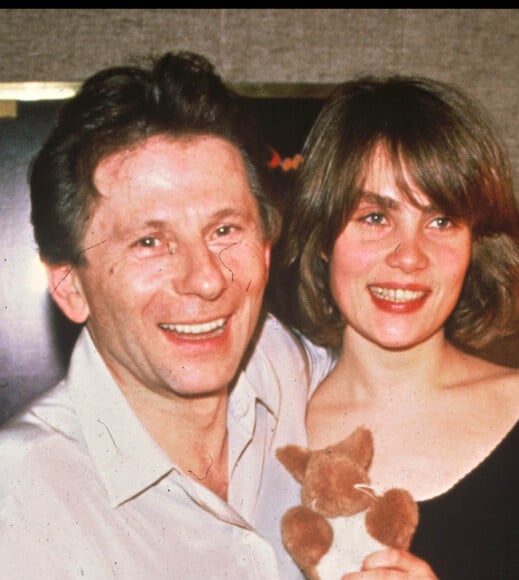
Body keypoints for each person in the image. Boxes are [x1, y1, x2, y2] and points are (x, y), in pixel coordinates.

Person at [0, 50, 337, 580]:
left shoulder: (291, 366)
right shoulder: (22, 503)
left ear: (267, 248)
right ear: (70, 286)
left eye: (225, 230)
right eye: (150, 242)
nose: (206, 279)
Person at [282, 75, 519, 579]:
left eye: (441, 221)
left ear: (476, 245)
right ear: (324, 235)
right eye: (375, 216)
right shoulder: (262, 432)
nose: (410, 257)